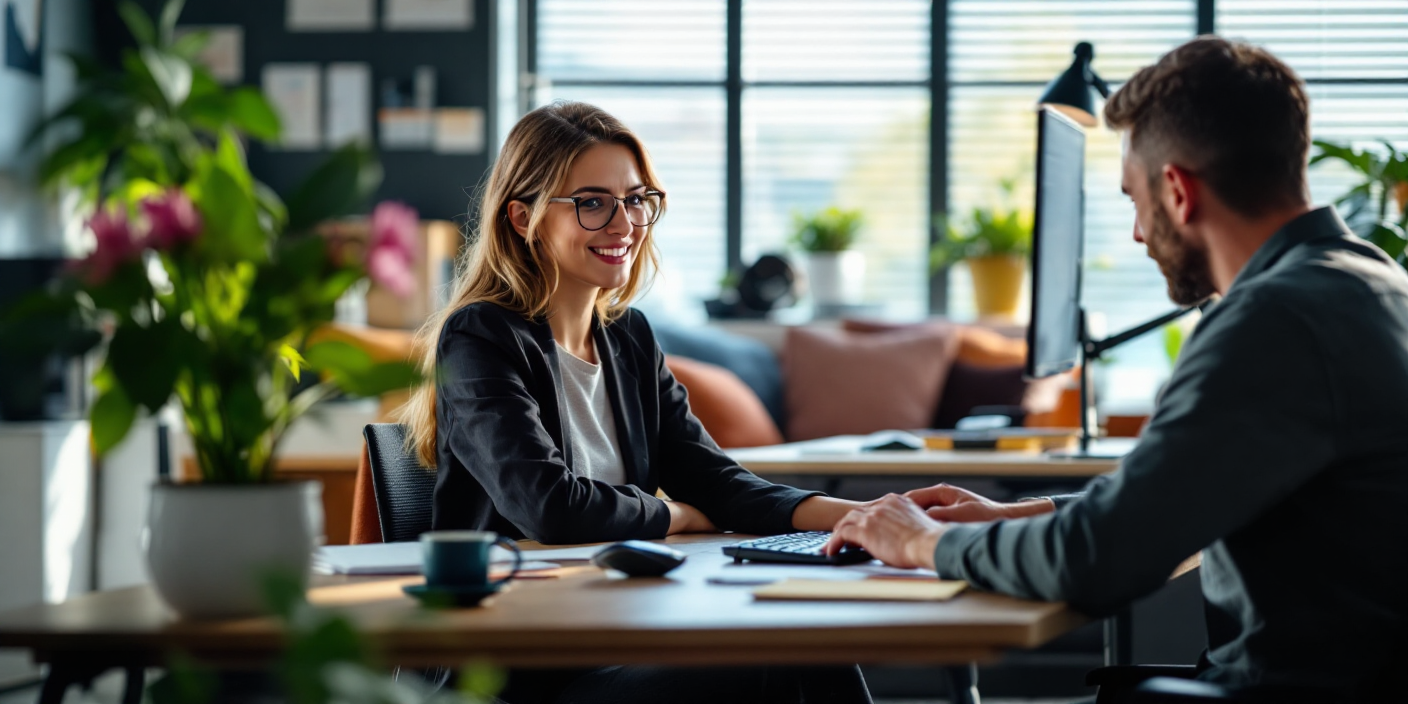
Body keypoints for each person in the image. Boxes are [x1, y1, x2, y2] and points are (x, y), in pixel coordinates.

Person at [825, 37, 1408, 699]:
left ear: (1178, 192)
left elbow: (1097, 562)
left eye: (1134, 201)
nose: (1136, 233)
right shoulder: (1371, 284)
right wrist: (1016, 516)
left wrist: (922, 542)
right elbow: (1187, 497)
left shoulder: (1273, 320)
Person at [397, 101, 873, 704]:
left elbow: (714, 480)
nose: (623, 223)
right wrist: (675, 515)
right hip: (522, 668)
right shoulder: (480, 338)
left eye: (635, 200)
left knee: (810, 643)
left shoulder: (629, 337)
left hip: (618, 630)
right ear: (524, 218)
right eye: (592, 203)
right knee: (779, 661)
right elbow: (551, 508)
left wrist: (865, 516)